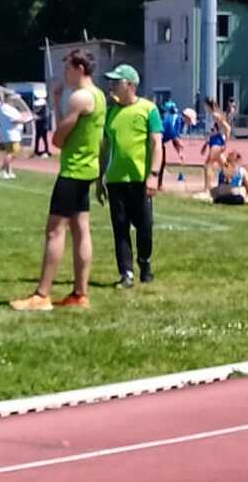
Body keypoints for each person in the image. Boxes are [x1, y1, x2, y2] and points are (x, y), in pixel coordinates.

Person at [11, 49, 106, 312]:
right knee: (81, 229)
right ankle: (80, 294)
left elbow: (58, 138)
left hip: (73, 170)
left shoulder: (80, 97)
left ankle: (42, 295)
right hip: (87, 169)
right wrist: (56, 101)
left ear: (79, 68)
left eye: (67, 68)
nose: (65, 74)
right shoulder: (98, 95)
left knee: (55, 231)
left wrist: (59, 121)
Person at [97, 64, 162, 288]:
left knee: (145, 226)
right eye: (111, 82)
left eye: (117, 82)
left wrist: (153, 174)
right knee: (120, 227)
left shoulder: (148, 109)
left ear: (131, 85)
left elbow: (156, 144)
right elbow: (105, 148)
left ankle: (145, 264)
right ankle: (126, 273)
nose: (112, 86)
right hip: (116, 180)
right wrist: (100, 179)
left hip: (140, 179)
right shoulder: (110, 113)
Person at [0, 90, 29, 179]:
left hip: (14, 132)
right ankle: (2, 170)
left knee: (10, 152)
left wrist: (24, 116)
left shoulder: (11, 108)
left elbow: (19, 116)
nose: (15, 101)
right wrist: (25, 119)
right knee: (15, 152)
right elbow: (15, 120)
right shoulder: (5, 108)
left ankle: (9, 171)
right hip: (10, 133)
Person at [200, 96, 229, 194]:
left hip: (218, 142)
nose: (204, 107)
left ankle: (207, 189)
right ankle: (233, 181)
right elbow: (214, 130)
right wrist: (206, 143)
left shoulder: (215, 115)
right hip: (213, 141)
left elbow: (227, 128)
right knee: (224, 165)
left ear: (207, 105)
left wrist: (225, 143)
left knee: (207, 165)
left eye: (205, 105)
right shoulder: (210, 115)